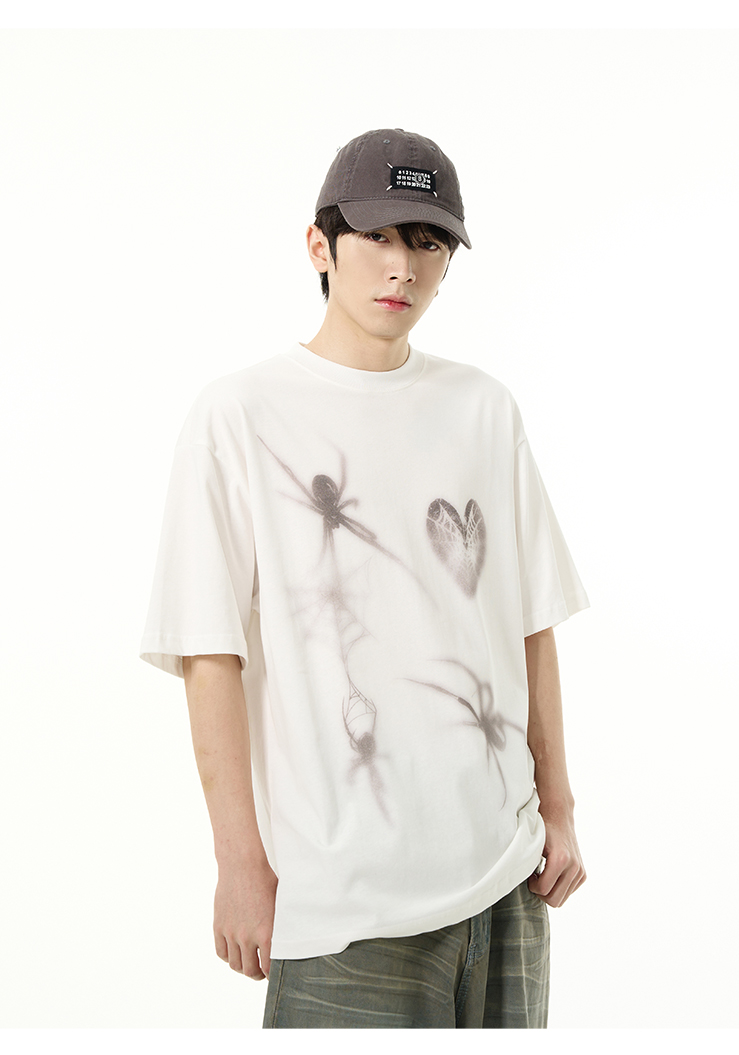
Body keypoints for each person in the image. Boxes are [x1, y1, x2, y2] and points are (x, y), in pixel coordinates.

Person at [140, 127, 590, 1029]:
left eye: (428, 242)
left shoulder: (483, 409)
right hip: (344, 902)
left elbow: (530, 622)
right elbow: (209, 652)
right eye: (378, 236)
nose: (402, 268)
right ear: (320, 244)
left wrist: (560, 809)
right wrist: (237, 862)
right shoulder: (239, 415)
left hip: (505, 878)